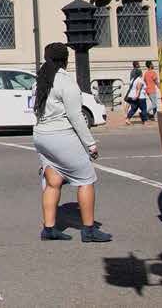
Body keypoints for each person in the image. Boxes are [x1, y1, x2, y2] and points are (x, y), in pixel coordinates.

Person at [33, 42, 111, 243]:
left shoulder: (40, 81)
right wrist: (90, 144)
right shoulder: (66, 82)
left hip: (41, 135)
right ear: (65, 60)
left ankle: (49, 228)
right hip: (61, 135)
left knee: (53, 182)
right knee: (86, 179)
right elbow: (76, 117)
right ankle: (89, 230)